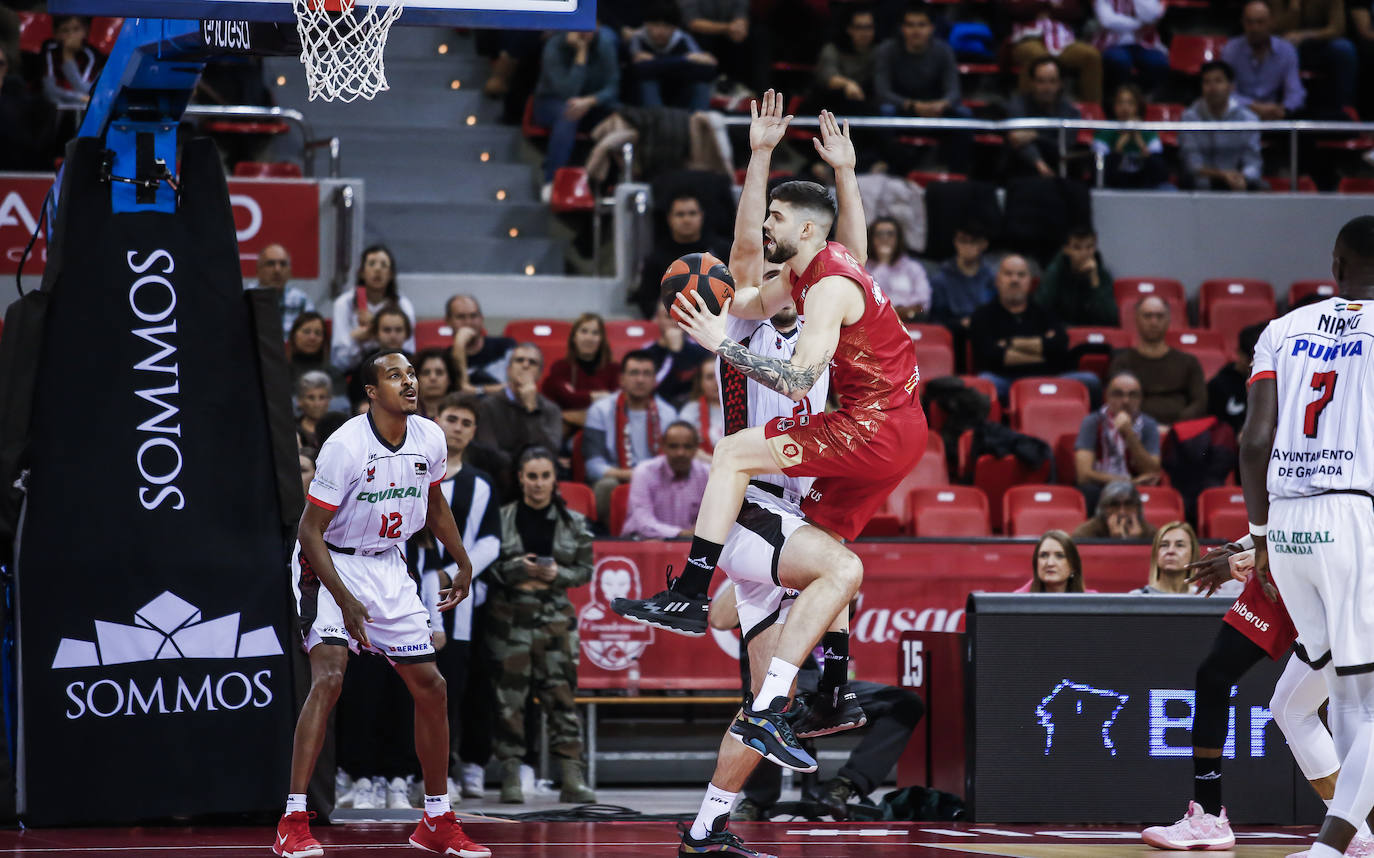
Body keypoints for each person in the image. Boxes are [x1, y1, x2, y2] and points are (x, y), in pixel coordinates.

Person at [622, 99, 928, 786]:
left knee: (828, 579)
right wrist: (758, 156)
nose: (768, 261)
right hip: (755, 502)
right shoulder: (745, 322)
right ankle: (771, 736)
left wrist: (845, 175)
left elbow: (853, 253)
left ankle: (815, 693)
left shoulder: (828, 299)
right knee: (770, 682)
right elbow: (748, 252)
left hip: (809, 483)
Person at [275, 350, 488, 858]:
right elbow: (309, 531)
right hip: (330, 562)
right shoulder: (344, 446)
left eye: (412, 372)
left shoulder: (430, 436)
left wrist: (462, 560)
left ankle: (436, 818)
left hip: (387, 564)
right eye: (395, 376)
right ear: (372, 392)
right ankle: (292, 819)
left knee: (431, 685)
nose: (409, 381)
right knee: (328, 677)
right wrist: (344, 600)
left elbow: (434, 505)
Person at [1235, 216, 1374, 858]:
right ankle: (1334, 843)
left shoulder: (1280, 330)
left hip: (1287, 523)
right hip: (1353, 515)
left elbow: (1254, 440)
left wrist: (1258, 536)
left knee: (1329, 691)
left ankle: (1354, 840)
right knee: (1362, 696)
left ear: (1335, 265)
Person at [1142, 539, 1371, 852]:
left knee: (1352, 715)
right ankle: (1357, 836)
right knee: (1290, 707)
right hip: (1299, 568)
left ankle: (1209, 817)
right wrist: (1241, 546)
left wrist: (1257, 555)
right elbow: (1281, 505)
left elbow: (1330, 519)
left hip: (1324, 574)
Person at [720, 586, 925, 824]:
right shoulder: (759, 575)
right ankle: (757, 800)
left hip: (822, 685)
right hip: (774, 687)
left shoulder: (827, 573)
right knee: (765, 706)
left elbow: (842, 614)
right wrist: (747, 578)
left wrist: (846, 594)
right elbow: (719, 618)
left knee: (904, 703)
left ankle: (844, 786)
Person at [486, 447, 597, 805]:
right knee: (509, 701)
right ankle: (512, 775)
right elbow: (485, 567)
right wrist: (515, 568)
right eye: (531, 476)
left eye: (544, 476)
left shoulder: (574, 522)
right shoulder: (501, 518)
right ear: (520, 478)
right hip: (510, 618)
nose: (537, 484)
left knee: (561, 697)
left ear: (554, 479)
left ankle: (570, 776)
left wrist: (556, 573)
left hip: (554, 620)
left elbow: (584, 571)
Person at [414, 393, 502, 804]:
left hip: (459, 604)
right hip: (409, 594)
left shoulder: (481, 484)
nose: (459, 428)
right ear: (436, 420)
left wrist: (452, 572)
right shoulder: (413, 473)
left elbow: (491, 541)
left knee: (456, 686)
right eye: (452, 419)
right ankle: (406, 771)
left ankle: (451, 770)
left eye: (467, 423)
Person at [969, 253, 1100, 402]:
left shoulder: (1044, 311)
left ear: (1030, 282)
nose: (1014, 280)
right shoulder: (982, 315)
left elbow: (1060, 345)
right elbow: (990, 356)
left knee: (1091, 381)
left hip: (1050, 379)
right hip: (1006, 381)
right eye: (1008, 274)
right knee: (984, 382)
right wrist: (1042, 349)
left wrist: (1010, 344)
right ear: (997, 280)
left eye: (1021, 275)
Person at [872, 2, 973, 174]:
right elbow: (882, 92)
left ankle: (957, 173)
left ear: (931, 28)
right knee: (883, 112)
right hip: (903, 110)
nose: (916, 30)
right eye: (910, 25)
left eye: (921, 25)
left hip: (935, 112)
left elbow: (954, 92)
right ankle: (891, 167)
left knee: (964, 115)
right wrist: (913, 105)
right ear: (902, 28)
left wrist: (942, 104)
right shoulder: (887, 50)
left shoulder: (943, 50)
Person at [583, 350, 679, 523]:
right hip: (618, 480)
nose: (640, 379)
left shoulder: (668, 414)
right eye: (634, 373)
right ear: (622, 379)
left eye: (646, 374)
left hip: (658, 481)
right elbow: (593, 466)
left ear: (654, 380)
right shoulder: (600, 410)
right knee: (606, 486)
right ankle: (605, 539)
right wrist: (635, 475)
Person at [531, 27, 619, 187]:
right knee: (569, 114)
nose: (585, 32)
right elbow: (568, 91)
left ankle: (611, 184)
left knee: (622, 116)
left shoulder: (605, 44)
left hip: (591, 104)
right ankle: (552, 181)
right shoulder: (554, 46)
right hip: (551, 102)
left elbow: (613, 87)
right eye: (579, 27)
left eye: (590, 27)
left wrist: (591, 101)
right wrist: (581, 53)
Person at [1108, 296, 1207, 427]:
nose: (1154, 322)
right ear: (1136, 319)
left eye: (1159, 316)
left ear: (1168, 320)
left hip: (1183, 432)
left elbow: (1200, 402)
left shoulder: (1189, 362)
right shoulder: (1122, 362)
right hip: (1136, 430)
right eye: (1147, 316)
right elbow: (1116, 402)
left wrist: (1176, 427)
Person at [1074, 371, 1162, 510]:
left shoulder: (1148, 424)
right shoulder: (1092, 422)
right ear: (1107, 397)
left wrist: (1129, 434)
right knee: (1089, 492)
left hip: (1137, 487)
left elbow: (1152, 471)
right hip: (1102, 486)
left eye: (1132, 395)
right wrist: (1129, 482)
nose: (1125, 401)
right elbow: (1083, 475)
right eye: (1118, 394)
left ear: (1140, 399)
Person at [635, 194, 732, 319]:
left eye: (692, 213)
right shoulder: (655, 258)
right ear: (669, 218)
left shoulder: (722, 250)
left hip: (718, 319)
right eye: (680, 214)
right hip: (673, 321)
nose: (686, 219)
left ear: (701, 216)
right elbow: (647, 301)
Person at [1179, 61, 1265, 193]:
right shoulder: (1189, 118)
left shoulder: (1248, 119)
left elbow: (1253, 162)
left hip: (1238, 181)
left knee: (1260, 186)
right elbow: (1192, 164)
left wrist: (1242, 177)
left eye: (1218, 81)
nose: (1212, 87)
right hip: (1202, 182)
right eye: (1207, 82)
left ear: (1231, 87)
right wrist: (1222, 175)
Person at [331, 245, 416, 372]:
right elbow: (339, 362)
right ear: (362, 272)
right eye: (371, 264)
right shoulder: (344, 303)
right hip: (355, 370)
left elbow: (408, 351)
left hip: (395, 368)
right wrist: (355, 339)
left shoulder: (403, 305)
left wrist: (374, 326)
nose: (377, 269)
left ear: (391, 274)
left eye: (383, 265)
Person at [475, 343, 563, 463]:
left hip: (538, 477)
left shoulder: (551, 409)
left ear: (540, 374)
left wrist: (532, 409)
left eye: (532, 362)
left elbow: (550, 452)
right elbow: (489, 453)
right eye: (519, 360)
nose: (525, 365)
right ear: (509, 370)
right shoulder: (487, 405)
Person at [621, 421, 710, 538]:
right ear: (663, 447)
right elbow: (643, 522)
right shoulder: (644, 472)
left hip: (689, 545)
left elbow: (713, 519)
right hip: (643, 544)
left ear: (696, 449)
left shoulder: (707, 474)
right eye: (673, 446)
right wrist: (682, 534)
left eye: (687, 447)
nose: (680, 453)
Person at [1221, 1, 1307, 121]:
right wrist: (1253, 107)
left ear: (1271, 22)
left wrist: (1284, 109)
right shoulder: (1230, 50)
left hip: (1275, 116)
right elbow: (1226, 92)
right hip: (1239, 117)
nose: (1254, 28)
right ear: (1243, 23)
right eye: (1249, 22)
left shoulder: (1286, 50)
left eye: (1260, 22)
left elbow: (1295, 91)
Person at [628, 1, 718, 111]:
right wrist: (685, 60)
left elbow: (707, 69)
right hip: (648, 105)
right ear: (646, 24)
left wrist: (654, 63)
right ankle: (658, 124)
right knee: (648, 83)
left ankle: (700, 123)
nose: (660, 31)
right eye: (656, 25)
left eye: (666, 26)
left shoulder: (683, 39)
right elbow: (638, 71)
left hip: (680, 95)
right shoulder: (638, 38)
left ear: (675, 27)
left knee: (700, 85)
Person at [1007, 2, 1103, 105]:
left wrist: (1043, 9)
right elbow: (1014, 9)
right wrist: (1049, 4)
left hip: (1063, 39)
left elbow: (1076, 11)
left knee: (1091, 56)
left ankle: (1093, 112)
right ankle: (1026, 110)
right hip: (1029, 38)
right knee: (1040, 59)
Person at [1271, 0, 1357, 113]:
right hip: (1288, 44)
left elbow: (1337, 29)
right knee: (1286, 49)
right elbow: (1272, 27)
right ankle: (1285, 106)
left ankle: (1346, 108)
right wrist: (1294, 9)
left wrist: (1304, 35)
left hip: (1321, 44)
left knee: (1344, 48)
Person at [1005, 56, 1084, 179]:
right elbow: (1016, 139)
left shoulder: (1070, 112)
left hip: (1058, 171)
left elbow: (1063, 146)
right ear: (1032, 83)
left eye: (1052, 81)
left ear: (1060, 84)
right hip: (1022, 173)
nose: (1047, 88)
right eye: (1041, 81)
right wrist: (1039, 164)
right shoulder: (1018, 104)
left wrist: (1035, 134)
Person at [541, 312, 619, 429]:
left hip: (603, 429)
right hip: (567, 430)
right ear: (574, 337)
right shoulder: (560, 367)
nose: (589, 338)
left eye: (595, 333)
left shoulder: (614, 369)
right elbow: (567, 398)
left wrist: (577, 400)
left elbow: (616, 403)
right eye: (584, 331)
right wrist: (597, 396)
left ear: (602, 339)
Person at [1035, 224, 1119, 327]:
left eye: (1089, 247)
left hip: (1095, 335)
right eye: (1077, 248)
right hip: (1062, 334)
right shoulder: (1055, 273)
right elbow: (1039, 311)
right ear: (1066, 249)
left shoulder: (1101, 274)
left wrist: (1094, 279)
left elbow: (1112, 319)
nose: (1084, 253)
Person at [1092, 83, 1169, 189]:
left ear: (1137, 106)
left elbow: (1161, 175)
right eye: (1120, 102)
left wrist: (1140, 142)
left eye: (1130, 103)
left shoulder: (1148, 131)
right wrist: (1119, 147)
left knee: (1167, 188)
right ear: (1114, 106)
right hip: (1114, 185)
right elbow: (1101, 175)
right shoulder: (1104, 131)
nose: (1125, 107)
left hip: (1144, 185)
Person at [929, 220, 996, 332]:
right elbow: (935, 320)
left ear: (984, 244)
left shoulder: (992, 277)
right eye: (963, 241)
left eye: (973, 242)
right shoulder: (940, 279)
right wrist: (959, 324)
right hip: (953, 335)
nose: (968, 247)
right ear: (955, 242)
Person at [444, 295, 516, 397]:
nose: (468, 322)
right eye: (461, 317)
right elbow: (459, 392)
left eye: (473, 316)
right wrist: (459, 347)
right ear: (448, 321)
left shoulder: (506, 347)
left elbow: (519, 387)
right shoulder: (445, 358)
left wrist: (476, 390)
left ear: (482, 318)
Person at [1093, 0, 1168, 96]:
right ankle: (1116, 98)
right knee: (1119, 60)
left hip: (1143, 42)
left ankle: (1141, 98)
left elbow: (1152, 15)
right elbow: (1107, 21)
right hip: (1112, 43)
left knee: (1158, 62)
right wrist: (1138, 25)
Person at [813, 6, 879, 114]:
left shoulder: (879, 51)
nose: (864, 32)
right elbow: (829, 77)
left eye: (868, 27)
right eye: (859, 27)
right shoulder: (833, 49)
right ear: (849, 29)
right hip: (830, 106)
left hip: (865, 107)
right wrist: (847, 84)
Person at [646, 303, 713, 408]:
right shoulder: (647, 354)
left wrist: (677, 353)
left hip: (696, 410)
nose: (674, 322)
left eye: (679, 317)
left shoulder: (701, 351)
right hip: (657, 408)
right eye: (668, 317)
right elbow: (650, 390)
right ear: (656, 319)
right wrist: (675, 353)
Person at [865, 216, 931, 323]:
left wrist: (897, 310)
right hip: (875, 324)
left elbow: (923, 301)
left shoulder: (913, 268)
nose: (884, 238)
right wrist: (883, 263)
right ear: (871, 238)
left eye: (890, 234)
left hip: (910, 322)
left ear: (898, 239)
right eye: (879, 234)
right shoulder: (863, 267)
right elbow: (869, 300)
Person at [1207, 322, 1265, 436]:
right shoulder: (1218, 385)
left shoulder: (1272, 382)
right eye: (1252, 359)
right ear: (1240, 354)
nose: (1255, 365)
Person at [40, 15, 102, 110]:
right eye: (65, 31)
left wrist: (68, 58)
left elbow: (86, 91)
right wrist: (79, 97)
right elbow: (50, 91)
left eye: (76, 29)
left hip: (82, 109)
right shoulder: (49, 50)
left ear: (85, 31)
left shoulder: (91, 55)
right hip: (52, 108)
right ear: (56, 34)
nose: (71, 35)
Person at [252, 244, 315, 337]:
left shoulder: (302, 301)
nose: (277, 270)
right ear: (258, 270)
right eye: (270, 264)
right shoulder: (245, 299)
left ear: (290, 271)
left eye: (283, 264)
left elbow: (312, 337)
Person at [1072, 478, 1158, 541]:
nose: (1122, 512)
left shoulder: (1151, 534)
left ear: (1138, 508)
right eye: (1114, 505)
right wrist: (1115, 542)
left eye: (1128, 504)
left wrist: (1137, 542)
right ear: (1103, 508)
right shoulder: (1084, 534)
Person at [1133, 521, 1200, 594]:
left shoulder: (1205, 598)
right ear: (1156, 554)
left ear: (1193, 554)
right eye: (1164, 545)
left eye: (1179, 545)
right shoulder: (1136, 597)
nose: (1170, 551)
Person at [1014, 530, 1090, 592]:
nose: (1050, 563)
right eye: (1044, 555)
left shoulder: (1092, 602)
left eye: (1059, 556)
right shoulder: (1016, 601)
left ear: (1073, 566)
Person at [287, 311, 342, 395]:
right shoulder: (281, 372)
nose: (312, 337)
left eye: (318, 333)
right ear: (293, 335)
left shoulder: (334, 374)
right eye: (306, 332)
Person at [678, 361, 725, 454]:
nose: (716, 381)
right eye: (710, 377)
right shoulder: (690, 411)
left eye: (720, 374)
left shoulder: (743, 407)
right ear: (700, 383)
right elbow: (682, 447)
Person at [296, 371, 333, 450]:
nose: (317, 404)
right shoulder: (291, 430)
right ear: (300, 400)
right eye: (311, 398)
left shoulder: (339, 430)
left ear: (329, 400)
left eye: (322, 397)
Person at [415, 349, 457, 418]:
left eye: (439, 372)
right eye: (426, 373)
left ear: (450, 379)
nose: (433, 378)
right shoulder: (406, 415)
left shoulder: (461, 414)